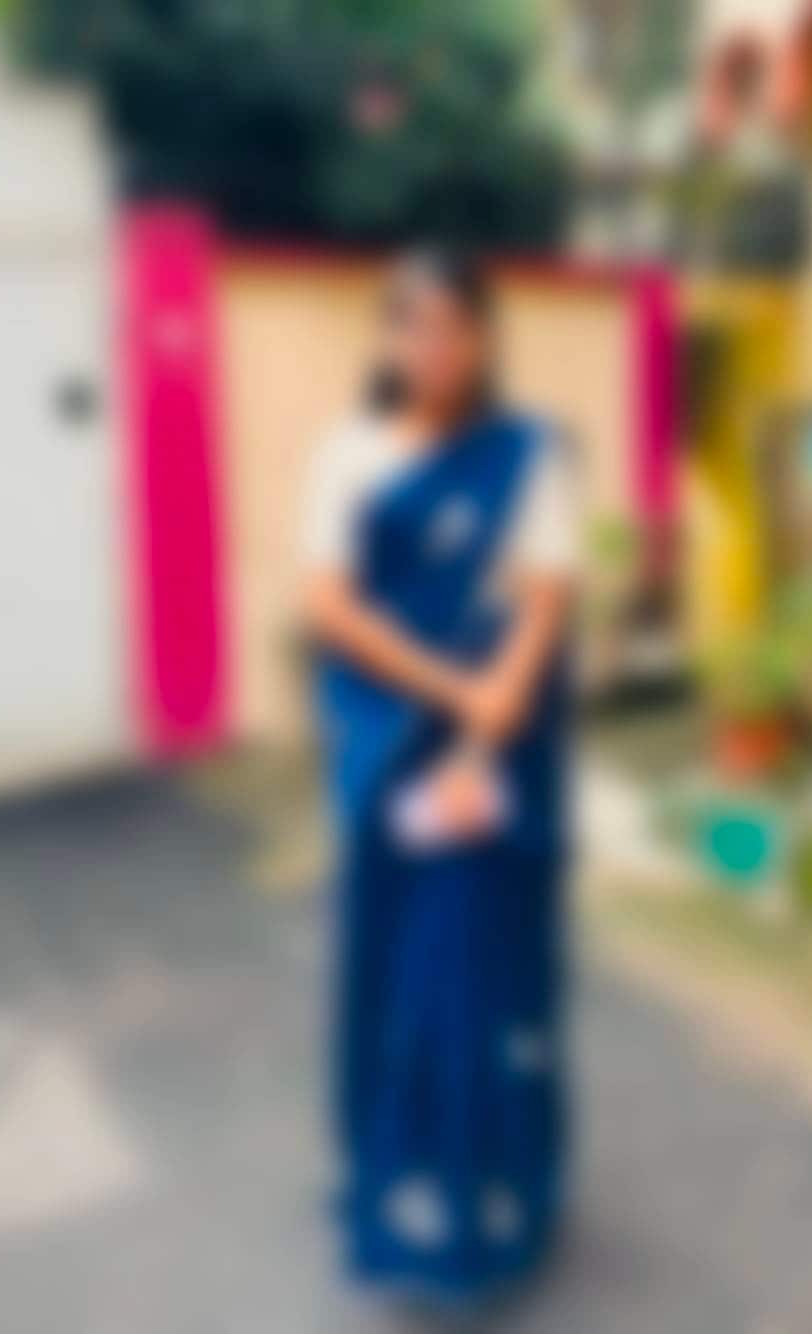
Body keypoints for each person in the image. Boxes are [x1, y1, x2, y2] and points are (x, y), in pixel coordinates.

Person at [301, 247, 578, 1304]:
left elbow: (546, 596)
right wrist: (453, 689)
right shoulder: (348, 454)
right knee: (389, 969)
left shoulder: (527, 453)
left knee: (479, 974)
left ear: (486, 337)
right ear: (387, 337)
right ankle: (396, 1185)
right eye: (411, 324)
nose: (433, 346)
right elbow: (331, 607)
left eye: (454, 325)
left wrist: (491, 708)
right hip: (389, 755)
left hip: (495, 759)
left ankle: (497, 1198)